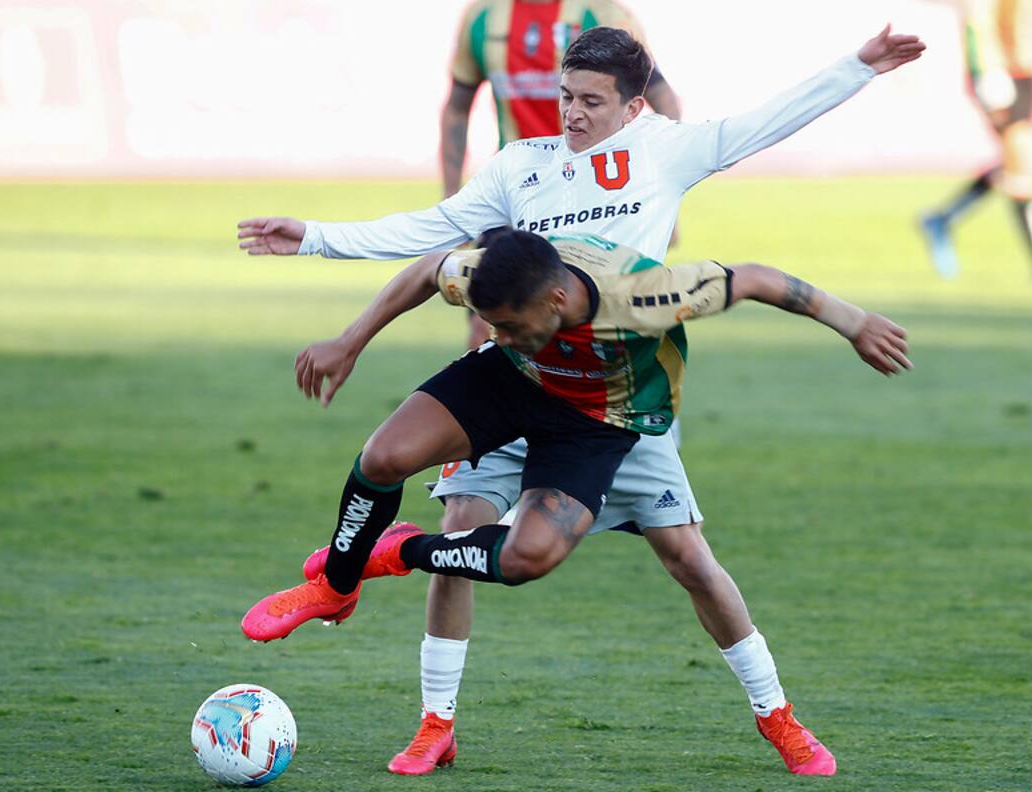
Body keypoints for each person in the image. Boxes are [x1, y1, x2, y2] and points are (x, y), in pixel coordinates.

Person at [237, 25, 925, 777]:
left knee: (689, 558)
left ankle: (780, 719)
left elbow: (769, 127)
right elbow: (434, 234)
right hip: (519, 365)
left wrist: (860, 67)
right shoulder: (522, 166)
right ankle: (430, 715)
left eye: (590, 101)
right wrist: (314, 239)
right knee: (456, 521)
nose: (570, 114)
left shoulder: (666, 151)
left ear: (634, 106)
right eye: (563, 96)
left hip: (618, 396)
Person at [444, 0, 682, 349]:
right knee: (490, 329)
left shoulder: (602, 14)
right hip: (516, 197)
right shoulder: (482, 16)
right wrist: (453, 203)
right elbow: (456, 108)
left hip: (591, 198)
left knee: (581, 331)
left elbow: (661, 97)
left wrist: (663, 194)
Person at [920, 0, 1032, 287]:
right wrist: (985, 76)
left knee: (1016, 166)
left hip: (1024, 67)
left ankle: (943, 219)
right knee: (1023, 166)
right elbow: (976, 20)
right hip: (997, 71)